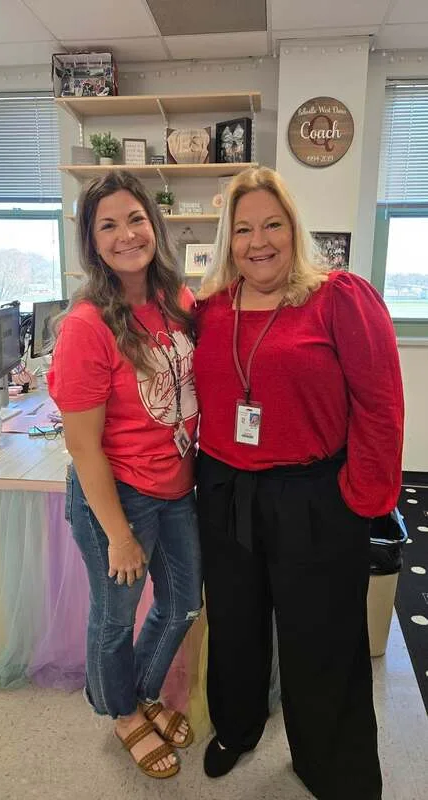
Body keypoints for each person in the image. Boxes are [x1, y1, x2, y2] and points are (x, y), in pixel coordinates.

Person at [193, 166, 404, 799]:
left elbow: (380, 405)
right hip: (225, 490)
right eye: (243, 229)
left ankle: (329, 761)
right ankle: (237, 727)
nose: (258, 242)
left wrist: (361, 500)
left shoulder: (338, 297)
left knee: (322, 635)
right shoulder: (209, 310)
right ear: (228, 239)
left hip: (313, 495)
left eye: (272, 225)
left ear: (294, 228)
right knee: (235, 624)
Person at [48, 171, 202, 780]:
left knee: (183, 603)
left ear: (153, 224)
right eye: (107, 225)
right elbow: (83, 446)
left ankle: (135, 692)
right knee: (115, 618)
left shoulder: (178, 301)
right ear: (92, 242)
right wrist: (118, 535)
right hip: (116, 498)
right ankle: (122, 712)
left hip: (177, 487)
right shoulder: (87, 325)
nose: (126, 234)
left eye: (135, 218)